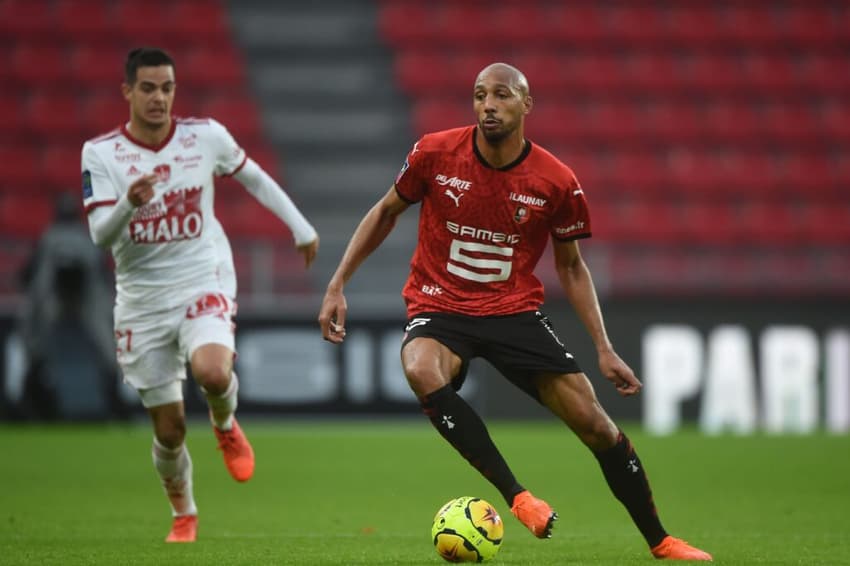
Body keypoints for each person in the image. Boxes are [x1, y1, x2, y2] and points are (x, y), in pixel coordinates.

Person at [318, 63, 711, 561]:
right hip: (440, 304)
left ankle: (660, 540)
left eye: (501, 95)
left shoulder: (556, 181)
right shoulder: (434, 153)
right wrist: (337, 283)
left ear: (526, 104)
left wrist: (604, 349)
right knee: (419, 367)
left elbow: (571, 267)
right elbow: (386, 211)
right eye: (480, 95)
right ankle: (518, 497)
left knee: (595, 424)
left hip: (514, 313)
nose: (488, 105)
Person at [81, 47, 319, 543]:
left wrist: (300, 227)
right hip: (142, 301)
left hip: (201, 275)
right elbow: (101, 236)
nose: (159, 98)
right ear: (127, 91)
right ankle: (184, 514)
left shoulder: (203, 137)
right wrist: (129, 202)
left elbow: (252, 175)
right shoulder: (101, 154)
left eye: (167, 87)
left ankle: (226, 422)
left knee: (213, 371)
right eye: (148, 88)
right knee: (168, 431)